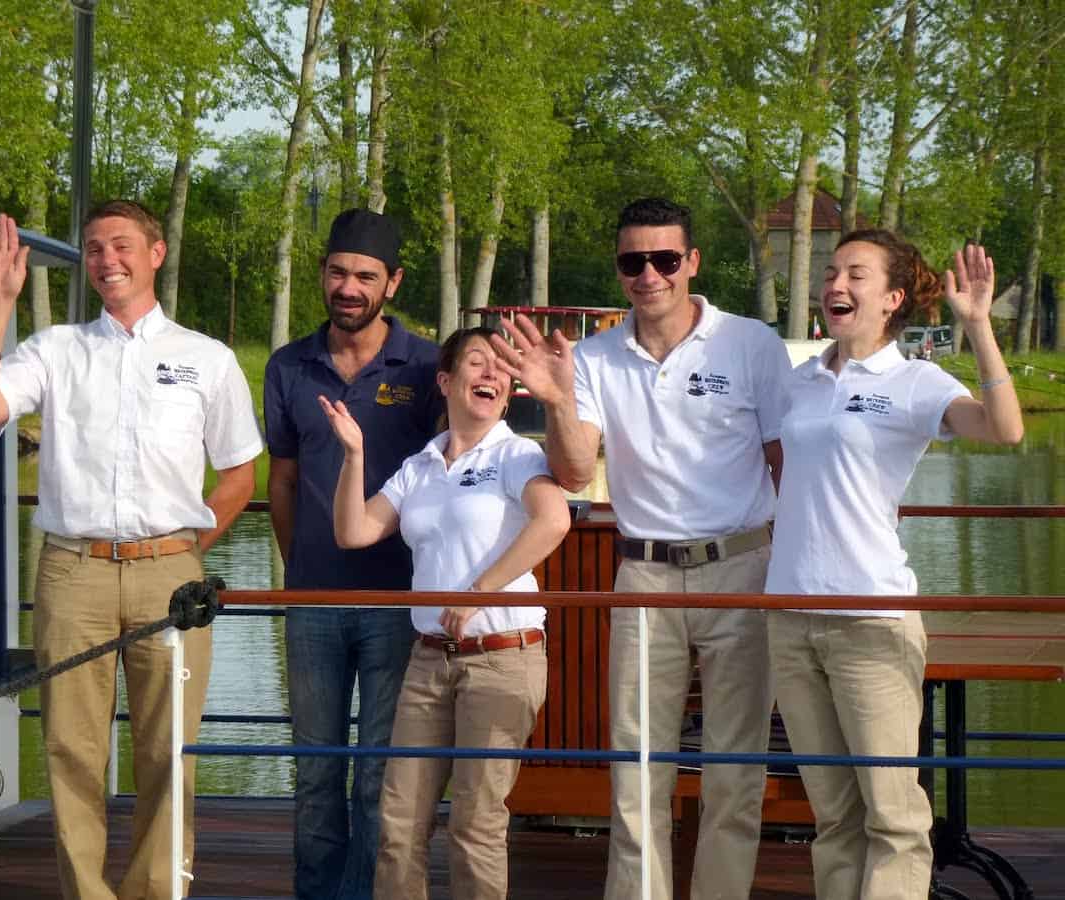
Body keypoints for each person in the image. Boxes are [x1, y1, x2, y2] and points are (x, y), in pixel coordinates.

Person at [0, 201, 262, 900]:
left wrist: (191, 550)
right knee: (70, 750)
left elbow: (241, 472)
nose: (106, 259)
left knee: (168, 752)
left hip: (171, 576)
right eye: (93, 249)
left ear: (156, 253)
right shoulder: (57, 350)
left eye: (121, 245)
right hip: (72, 572)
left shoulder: (204, 358)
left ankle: (156, 893)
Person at [491, 197, 791, 899]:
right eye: (633, 261)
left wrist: (798, 572)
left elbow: (787, 465)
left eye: (663, 259)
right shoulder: (592, 357)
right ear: (620, 268)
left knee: (735, 769)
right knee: (636, 768)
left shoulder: (750, 344)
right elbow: (571, 473)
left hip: (743, 567)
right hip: (645, 575)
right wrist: (559, 402)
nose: (648, 274)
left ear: (691, 262)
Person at [765, 231, 1023, 898]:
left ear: (893, 298)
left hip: (872, 620)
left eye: (855, 273)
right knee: (833, 816)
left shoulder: (914, 380)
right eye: (829, 272)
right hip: (791, 618)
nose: (834, 285)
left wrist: (978, 327)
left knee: (893, 816)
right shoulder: (801, 380)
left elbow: (1004, 429)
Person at [320, 326, 571, 900]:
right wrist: (354, 453)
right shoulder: (421, 465)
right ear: (446, 381)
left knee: (475, 825)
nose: (490, 374)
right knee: (398, 824)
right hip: (429, 662)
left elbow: (553, 521)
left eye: (499, 368)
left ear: (509, 390)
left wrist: (479, 590)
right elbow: (354, 530)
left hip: (502, 657)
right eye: (476, 363)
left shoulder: (516, 454)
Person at [264, 208, 443, 900]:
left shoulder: (428, 366)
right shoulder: (288, 366)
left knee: (379, 772)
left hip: (399, 602)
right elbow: (280, 477)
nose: (349, 286)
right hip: (310, 603)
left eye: (366, 275)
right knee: (314, 770)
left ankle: (366, 893)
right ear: (322, 275)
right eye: (338, 271)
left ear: (391, 282)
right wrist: (296, 570)